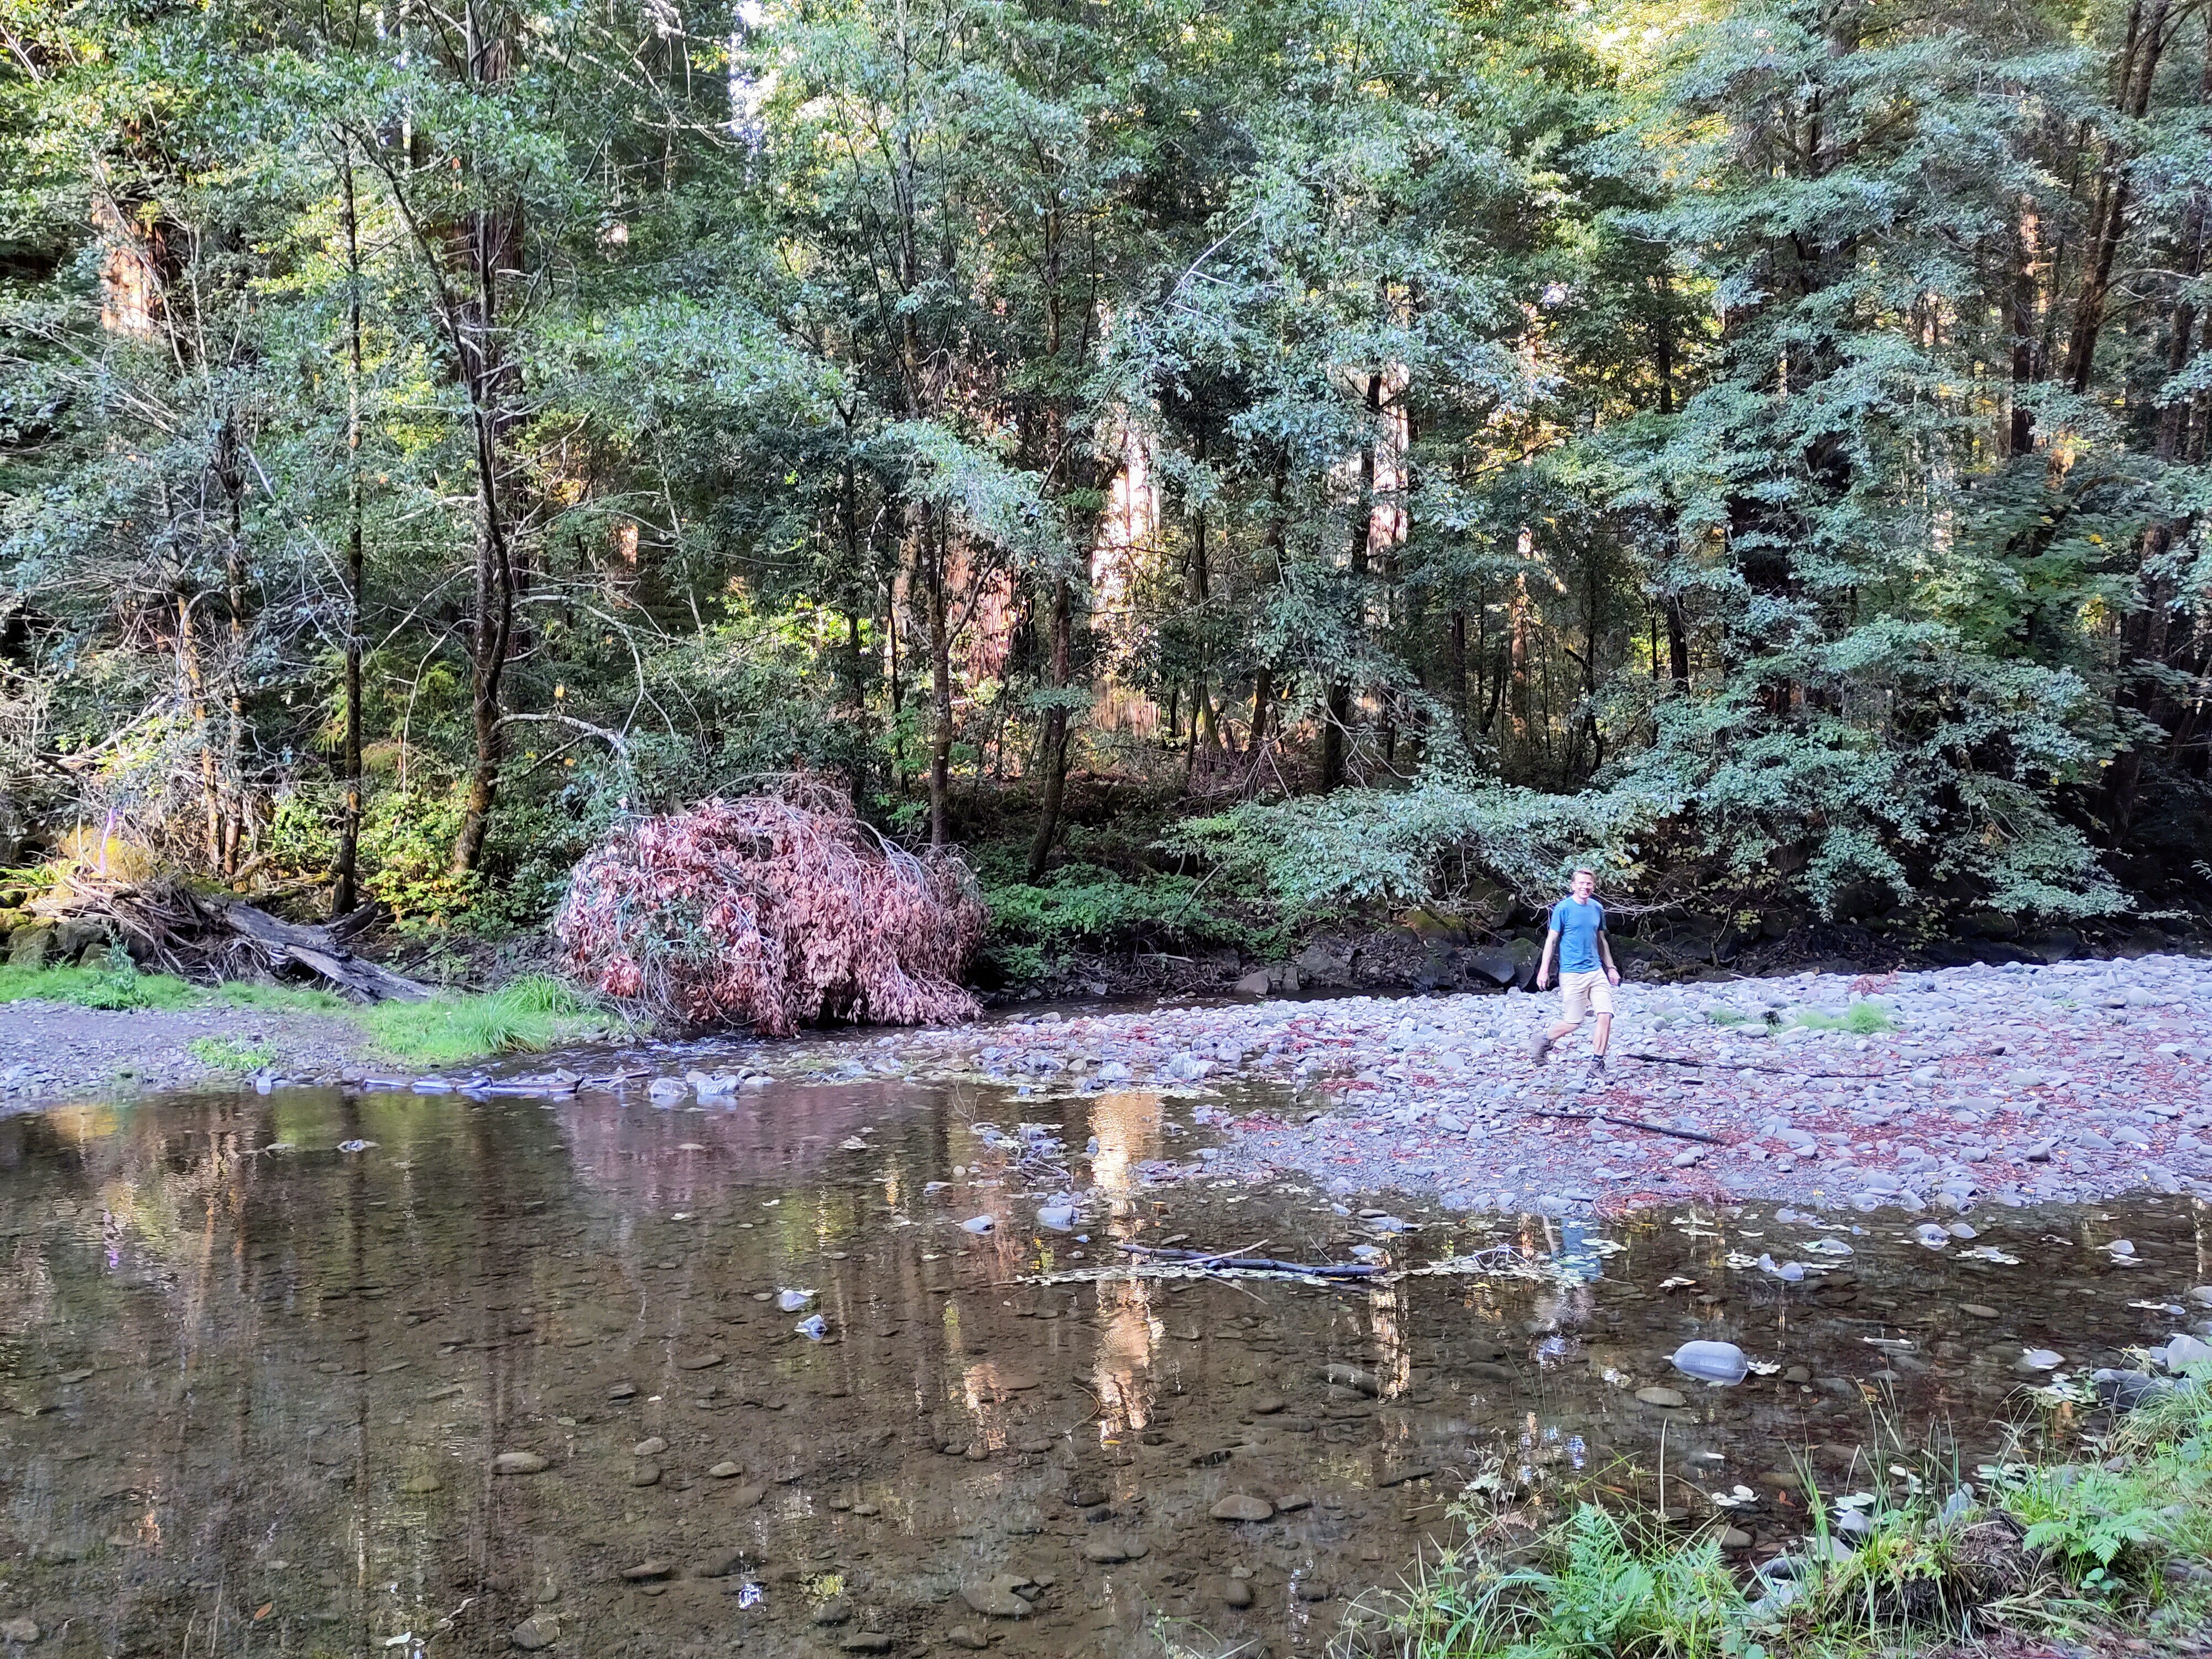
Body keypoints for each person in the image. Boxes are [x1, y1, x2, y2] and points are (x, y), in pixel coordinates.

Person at [1531, 867, 1621, 1072]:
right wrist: (1543, 970)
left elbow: (1601, 940)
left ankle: (1597, 1063)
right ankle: (1544, 1041)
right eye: (1581, 883)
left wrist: (1611, 968)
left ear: (1594, 886)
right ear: (1573, 886)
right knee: (1573, 1023)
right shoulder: (1563, 909)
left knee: (1605, 1014)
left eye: (1589, 883)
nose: (1585, 887)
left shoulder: (1597, 908)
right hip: (1572, 973)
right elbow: (1551, 940)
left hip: (1596, 971)